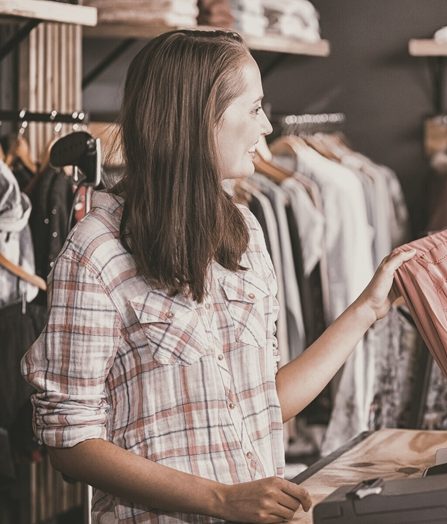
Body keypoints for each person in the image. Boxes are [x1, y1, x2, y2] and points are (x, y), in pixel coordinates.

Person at [20, 30, 414, 523]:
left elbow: (262, 401)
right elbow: (71, 444)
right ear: (198, 118)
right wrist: (221, 500)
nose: (267, 125)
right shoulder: (96, 252)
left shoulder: (244, 232)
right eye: (254, 109)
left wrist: (368, 309)